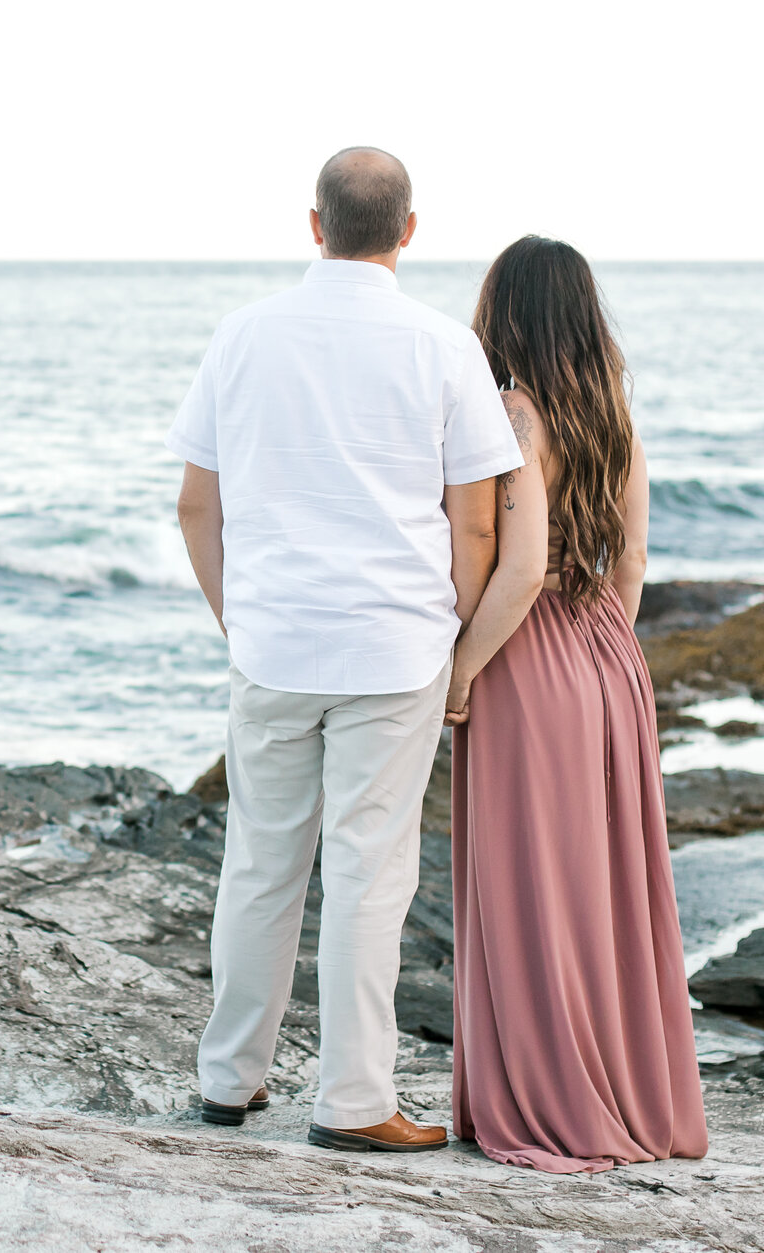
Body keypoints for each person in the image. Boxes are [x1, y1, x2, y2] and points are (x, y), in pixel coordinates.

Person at [167, 149, 521, 1154]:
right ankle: (353, 1097)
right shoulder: (444, 345)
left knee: (259, 863)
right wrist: (453, 643)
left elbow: (199, 500)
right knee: (369, 874)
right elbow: (479, 527)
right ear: (409, 230)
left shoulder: (242, 334)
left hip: (274, 638)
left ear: (312, 224)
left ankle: (228, 1081)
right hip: (394, 644)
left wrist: (237, 614)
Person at [445, 234, 707, 1172]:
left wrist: (466, 669)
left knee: (530, 888)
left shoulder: (516, 413)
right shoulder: (616, 415)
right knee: (602, 889)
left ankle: (548, 1102)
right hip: (609, 653)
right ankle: (632, 1094)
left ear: (505, 312)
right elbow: (631, 562)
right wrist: (604, 651)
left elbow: (517, 571)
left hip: (532, 657)